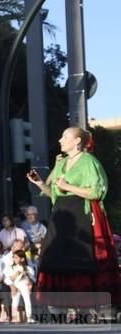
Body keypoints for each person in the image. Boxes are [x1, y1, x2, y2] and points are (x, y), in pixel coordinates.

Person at [27, 126, 121, 310]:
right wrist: (39, 182)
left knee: (81, 257)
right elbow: (54, 193)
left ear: (77, 141)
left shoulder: (89, 162)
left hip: (82, 214)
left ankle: (88, 305)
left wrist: (68, 187)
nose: (60, 140)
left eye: (65, 136)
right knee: (52, 255)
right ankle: (59, 303)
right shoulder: (61, 163)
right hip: (61, 215)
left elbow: (97, 191)